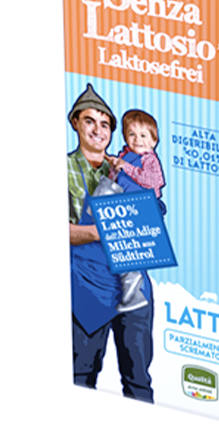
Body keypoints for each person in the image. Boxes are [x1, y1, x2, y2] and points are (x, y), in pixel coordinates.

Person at [67, 84, 154, 402]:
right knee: (81, 375)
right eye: (89, 121)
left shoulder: (129, 168)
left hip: (133, 287)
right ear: (75, 122)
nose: (98, 130)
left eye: (105, 124)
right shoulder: (62, 170)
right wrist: (98, 232)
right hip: (87, 287)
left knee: (139, 381)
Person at [107, 109, 166, 313]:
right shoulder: (125, 155)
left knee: (131, 252)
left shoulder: (150, 159)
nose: (137, 140)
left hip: (144, 208)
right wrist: (114, 168)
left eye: (143, 135)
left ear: (153, 141)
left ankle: (135, 293)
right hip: (125, 206)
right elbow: (117, 178)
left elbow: (152, 181)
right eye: (131, 134)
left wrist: (126, 167)